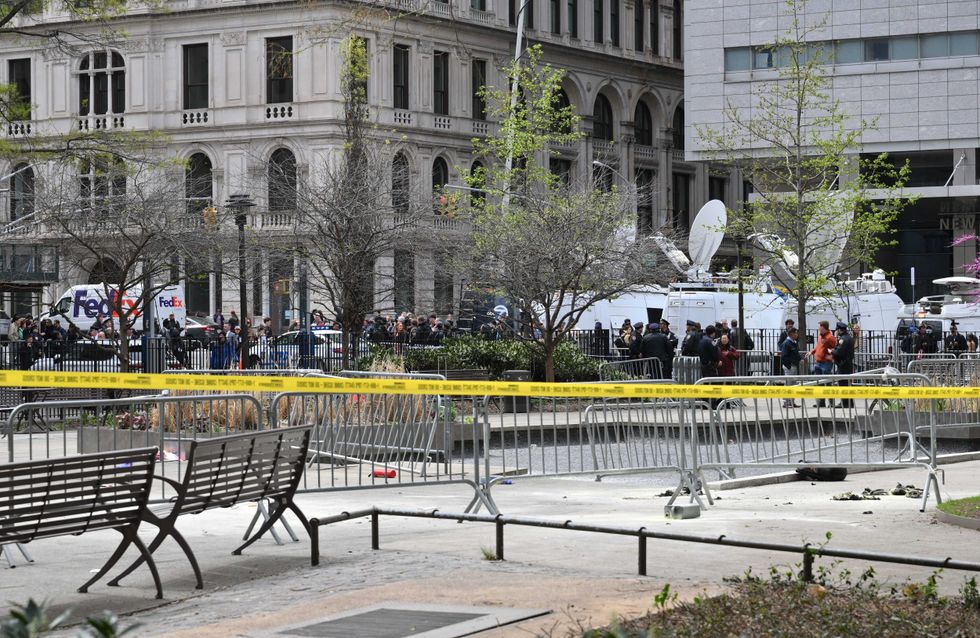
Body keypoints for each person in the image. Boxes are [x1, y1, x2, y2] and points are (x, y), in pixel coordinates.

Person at [806, 320, 837, 407]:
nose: (818, 328)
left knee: (827, 383)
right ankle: (821, 402)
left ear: (823, 327)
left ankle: (831, 403)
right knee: (819, 383)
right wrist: (811, 352)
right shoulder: (820, 336)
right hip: (818, 362)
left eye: (819, 326)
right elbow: (818, 346)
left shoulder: (830, 337)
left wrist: (832, 355)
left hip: (826, 363)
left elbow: (836, 347)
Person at [832, 321, 855, 408]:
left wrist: (832, 351)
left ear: (839, 330)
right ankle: (849, 402)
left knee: (843, 384)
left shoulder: (843, 339)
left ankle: (845, 403)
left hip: (843, 365)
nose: (836, 332)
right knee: (847, 383)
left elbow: (839, 352)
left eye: (837, 330)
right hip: (847, 364)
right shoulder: (848, 337)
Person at [780, 326, 801, 408]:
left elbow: (795, 353)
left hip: (793, 366)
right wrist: (788, 366)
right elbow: (784, 356)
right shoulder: (787, 343)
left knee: (793, 384)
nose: (797, 334)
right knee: (788, 384)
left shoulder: (793, 342)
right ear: (792, 334)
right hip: (790, 367)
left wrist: (799, 360)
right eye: (796, 333)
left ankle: (792, 401)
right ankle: (786, 402)